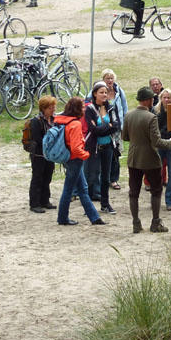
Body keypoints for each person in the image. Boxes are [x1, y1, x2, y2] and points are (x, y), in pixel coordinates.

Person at [122, 86, 171, 233]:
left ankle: (136, 223)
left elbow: (125, 136)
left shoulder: (128, 115)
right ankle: (155, 222)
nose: (153, 100)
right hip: (150, 159)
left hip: (133, 158)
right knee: (156, 190)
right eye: (152, 98)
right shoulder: (151, 117)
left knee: (134, 192)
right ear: (147, 100)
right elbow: (157, 142)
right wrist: (170, 142)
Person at [55, 97, 106, 226]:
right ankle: (63, 218)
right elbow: (76, 148)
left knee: (82, 189)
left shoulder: (62, 120)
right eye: (83, 107)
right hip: (75, 160)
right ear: (77, 109)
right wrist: (86, 154)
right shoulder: (75, 124)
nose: (85, 109)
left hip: (68, 158)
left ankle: (94, 218)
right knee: (69, 189)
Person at [84, 81, 121, 215]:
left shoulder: (111, 107)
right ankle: (88, 207)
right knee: (92, 176)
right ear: (95, 94)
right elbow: (92, 129)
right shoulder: (89, 109)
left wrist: (105, 128)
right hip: (94, 148)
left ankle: (105, 204)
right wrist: (108, 127)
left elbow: (116, 126)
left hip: (108, 147)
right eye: (101, 92)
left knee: (106, 177)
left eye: (106, 92)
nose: (104, 95)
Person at [27, 95, 57, 213]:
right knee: (37, 178)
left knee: (47, 177)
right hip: (39, 154)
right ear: (43, 108)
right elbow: (38, 139)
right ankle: (34, 203)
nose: (53, 110)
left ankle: (45, 200)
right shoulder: (36, 121)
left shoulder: (53, 120)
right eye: (51, 108)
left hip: (49, 155)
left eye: (54, 107)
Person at [154, 88, 171, 210]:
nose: (166, 100)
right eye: (164, 97)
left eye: (168, 97)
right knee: (156, 172)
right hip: (160, 144)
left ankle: (170, 200)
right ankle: (156, 199)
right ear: (160, 99)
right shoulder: (156, 111)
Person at [102, 69, 128, 190]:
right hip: (104, 128)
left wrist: (124, 127)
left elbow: (125, 108)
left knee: (116, 153)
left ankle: (114, 179)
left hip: (117, 128)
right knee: (105, 153)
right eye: (107, 78)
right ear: (103, 79)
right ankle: (104, 179)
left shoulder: (119, 91)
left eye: (112, 78)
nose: (110, 81)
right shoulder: (99, 91)